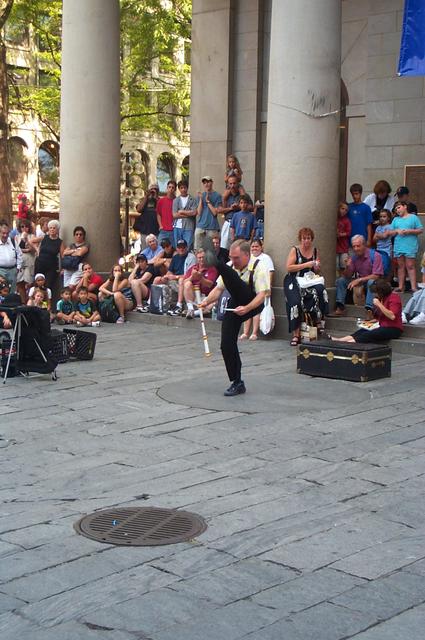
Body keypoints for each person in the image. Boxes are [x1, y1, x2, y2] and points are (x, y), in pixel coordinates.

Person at [198, 240, 269, 396]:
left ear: (247, 255)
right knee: (226, 344)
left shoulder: (260, 266)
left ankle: (217, 263)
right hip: (235, 302)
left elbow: (262, 295)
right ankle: (237, 382)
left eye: (236, 258)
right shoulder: (231, 266)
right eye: (231, 257)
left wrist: (247, 308)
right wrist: (206, 302)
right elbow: (218, 289)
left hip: (253, 301)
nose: (234, 261)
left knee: (232, 277)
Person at [283, 227, 328, 346]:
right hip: (293, 279)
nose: (306, 241)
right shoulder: (295, 250)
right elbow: (289, 267)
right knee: (295, 302)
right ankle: (296, 334)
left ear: (311, 239)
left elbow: (316, 269)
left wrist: (316, 267)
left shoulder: (315, 251)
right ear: (300, 239)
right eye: (304, 238)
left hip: (308, 280)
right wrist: (306, 264)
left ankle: (318, 322)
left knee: (321, 291)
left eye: (308, 238)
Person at [330, 280, 403, 343]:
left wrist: (379, 304)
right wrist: (368, 322)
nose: (374, 294)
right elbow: (379, 317)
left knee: (368, 334)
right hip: (381, 325)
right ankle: (340, 340)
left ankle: (349, 343)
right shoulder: (381, 299)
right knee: (361, 331)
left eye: (376, 292)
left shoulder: (394, 297)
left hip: (393, 328)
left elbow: (392, 316)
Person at [334, 235, 383, 318]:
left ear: (364, 245)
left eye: (358, 246)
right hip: (362, 281)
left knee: (371, 282)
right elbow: (348, 275)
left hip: (374, 282)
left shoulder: (375, 255)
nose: (356, 249)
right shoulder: (354, 257)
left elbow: (376, 275)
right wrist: (348, 266)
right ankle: (340, 306)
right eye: (354, 246)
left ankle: (369, 310)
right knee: (341, 281)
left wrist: (359, 280)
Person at [241, 238, 274, 341]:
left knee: (256, 309)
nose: (254, 248)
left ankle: (254, 333)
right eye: (253, 246)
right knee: (246, 308)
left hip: (261, 287)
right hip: (248, 287)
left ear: (261, 247)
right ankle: (245, 332)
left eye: (257, 246)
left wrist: (268, 287)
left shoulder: (266, 258)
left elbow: (271, 272)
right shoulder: (248, 258)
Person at [170, 248, 218, 318]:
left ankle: (194, 313)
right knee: (187, 284)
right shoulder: (193, 268)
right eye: (199, 258)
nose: (201, 259)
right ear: (197, 258)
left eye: (203, 257)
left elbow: (210, 284)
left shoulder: (211, 268)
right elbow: (184, 282)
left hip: (207, 296)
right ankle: (190, 309)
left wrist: (200, 278)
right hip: (194, 296)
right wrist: (192, 277)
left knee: (215, 301)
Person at [389, 201, 423, 293]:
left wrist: (409, 231)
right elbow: (390, 232)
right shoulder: (396, 220)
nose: (397, 210)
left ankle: (413, 287)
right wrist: (397, 231)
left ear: (405, 206)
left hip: (410, 246)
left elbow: (420, 230)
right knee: (400, 266)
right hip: (399, 246)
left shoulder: (413, 217)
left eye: (399, 207)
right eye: (396, 209)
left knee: (410, 266)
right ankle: (400, 286)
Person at [33, 219, 64, 293]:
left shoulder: (60, 242)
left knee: (48, 285)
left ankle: (47, 299)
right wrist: (37, 249)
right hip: (40, 264)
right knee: (38, 284)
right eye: (50, 228)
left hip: (51, 267)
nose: (52, 229)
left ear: (57, 230)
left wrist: (63, 268)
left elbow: (62, 256)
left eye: (54, 228)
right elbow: (32, 241)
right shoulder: (44, 237)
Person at [194, 176, 222, 251]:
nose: (206, 184)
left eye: (208, 182)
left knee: (212, 250)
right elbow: (199, 212)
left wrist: (208, 202)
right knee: (198, 250)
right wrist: (201, 199)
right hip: (200, 226)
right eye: (204, 183)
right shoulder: (201, 195)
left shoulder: (217, 195)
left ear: (212, 183)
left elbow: (215, 213)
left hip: (212, 227)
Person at [15, 219, 36, 302]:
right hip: (20, 262)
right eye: (22, 226)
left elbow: (33, 249)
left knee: (29, 283)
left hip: (29, 262)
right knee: (19, 283)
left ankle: (29, 301)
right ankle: (23, 301)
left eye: (26, 226)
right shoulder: (17, 237)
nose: (24, 228)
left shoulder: (32, 236)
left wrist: (26, 240)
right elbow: (17, 249)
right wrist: (26, 249)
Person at [172, 180, 198, 249]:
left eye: (185, 188)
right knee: (178, 246)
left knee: (187, 246)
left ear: (187, 188)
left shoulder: (192, 199)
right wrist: (188, 214)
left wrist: (181, 211)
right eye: (181, 188)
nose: (183, 189)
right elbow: (174, 215)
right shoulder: (176, 200)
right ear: (179, 189)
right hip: (177, 226)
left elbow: (194, 212)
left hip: (189, 226)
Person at [0, 219, 23, 294]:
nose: (5, 235)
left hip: (13, 270)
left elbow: (19, 254)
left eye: (7, 233)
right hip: (1, 271)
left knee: (12, 292)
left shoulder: (12, 241)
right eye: (3, 233)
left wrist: (18, 267)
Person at [373, 209, 392, 278]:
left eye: (384, 217)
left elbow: (384, 236)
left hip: (387, 250)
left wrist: (378, 235)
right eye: (380, 217)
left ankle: (388, 281)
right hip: (378, 250)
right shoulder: (378, 227)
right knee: (379, 266)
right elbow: (374, 239)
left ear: (388, 218)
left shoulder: (390, 226)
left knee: (386, 266)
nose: (382, 218)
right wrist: (380, 235)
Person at [156, 180, 176, 246]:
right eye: (169, 187)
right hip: (163, 230)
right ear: (167, 188)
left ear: (175, 189)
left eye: (173, 187)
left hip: (174, 230)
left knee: (173, 248)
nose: (171, 189)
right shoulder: (161, 201)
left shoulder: (177, 201)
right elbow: (158, 214)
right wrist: (160, 225)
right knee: (160, 248)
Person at [336, 202, 351, 275]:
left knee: (343, 266)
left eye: (346, 210)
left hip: (344, 247)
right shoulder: (335, 218)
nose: (344, 211)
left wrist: (340, 234)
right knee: (335, 266)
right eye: (342, 208)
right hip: (335, 248)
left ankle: (341, 279)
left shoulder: (347, 220)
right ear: (338, 208)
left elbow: (348, 232)